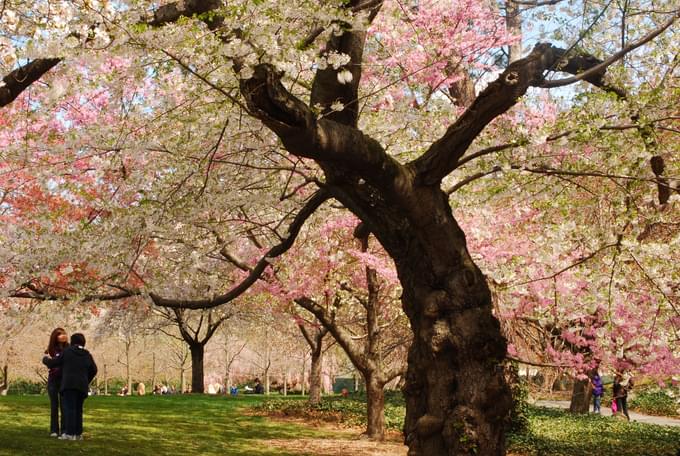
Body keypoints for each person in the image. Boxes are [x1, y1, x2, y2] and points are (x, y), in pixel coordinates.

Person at [43, 333, 97, 441]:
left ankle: (69, 433)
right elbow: (94, 370)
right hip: (82, 386)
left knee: (70, 409)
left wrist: (45, 360)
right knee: (78, 410)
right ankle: (78, 434)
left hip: (69, 384)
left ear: (72, 342)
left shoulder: (67, 352)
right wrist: (86, 380)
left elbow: (55, 363)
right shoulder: (87, 354)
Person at [45, 328, 69, 437]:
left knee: (64, 406)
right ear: (55, 337)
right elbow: (50, 362)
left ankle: (64, 430)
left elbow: (53, 362)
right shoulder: (51, 349)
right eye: (60, 334)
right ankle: (54, 430)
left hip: (64, 379)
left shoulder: (69, 349)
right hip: (53, 379)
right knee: (54, 405)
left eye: (64, 334)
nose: (63, 336)